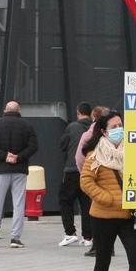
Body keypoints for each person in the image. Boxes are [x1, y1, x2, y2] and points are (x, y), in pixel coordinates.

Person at [80, 110, 136, 271]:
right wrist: (106, 198)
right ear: (103, 131)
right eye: (114, 127)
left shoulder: (134, 153)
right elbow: (86, 182)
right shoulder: (96, 155)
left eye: (121, 125)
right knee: (103, 261)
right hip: (103, 217)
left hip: (128, 215)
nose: (119, 130)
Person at [0, 100, 38, 249]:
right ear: (19, 110)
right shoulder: (27, 126)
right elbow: (33, 147)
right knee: (19, 204)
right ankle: (15, 238)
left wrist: (4, 156)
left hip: (1, 169)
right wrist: (18, 157)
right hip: (20, 169)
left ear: (5, 110)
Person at [57, 102, 93, 248]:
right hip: (89, 171)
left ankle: (70, 233)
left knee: (65, 201)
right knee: (86, 205)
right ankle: (88, 237)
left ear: (78, 112)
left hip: (72, 170)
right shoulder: (94, 128)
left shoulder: (72, 127)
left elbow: (62, 145)